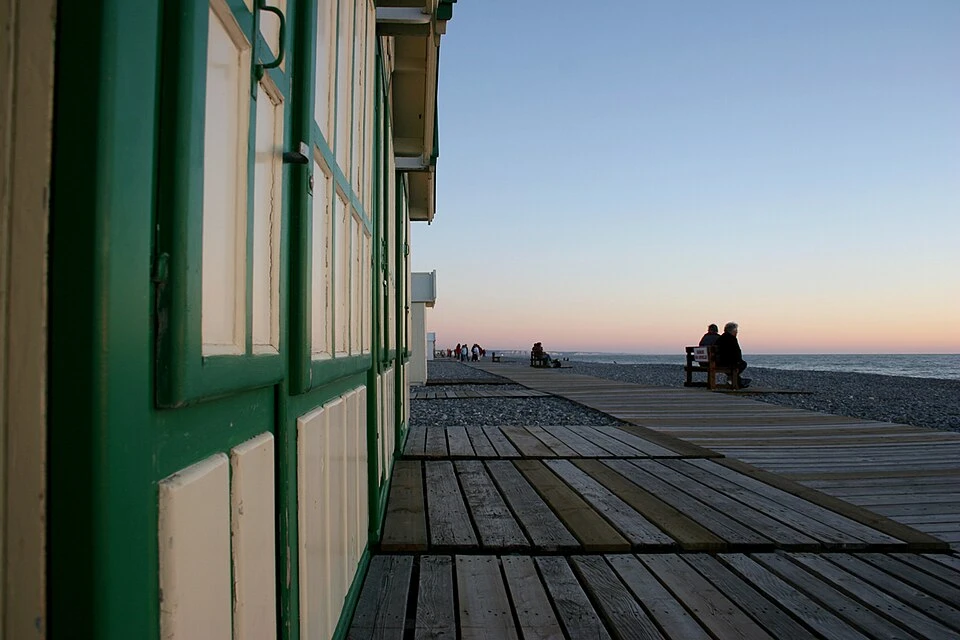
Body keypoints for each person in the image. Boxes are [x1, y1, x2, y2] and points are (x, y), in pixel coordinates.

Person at [714, 322, 751, 388]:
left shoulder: (720, 338)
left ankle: (736, 381)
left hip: (718, 361)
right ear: (732, 331)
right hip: (727, 362)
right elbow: (736, 352)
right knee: (743, 364)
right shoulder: (732, 339)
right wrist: (739, 361)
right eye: (736, 331)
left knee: (735, 366)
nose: (737, 332)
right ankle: (736, 381)